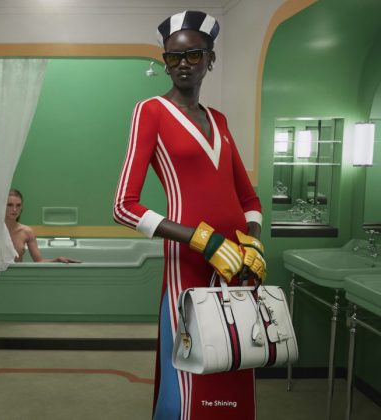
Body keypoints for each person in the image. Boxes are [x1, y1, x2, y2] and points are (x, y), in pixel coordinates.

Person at [112, 10, 266, 420]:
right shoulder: (151, 111)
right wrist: (205, 241)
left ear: (210, 60)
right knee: (191, 366)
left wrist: (251, 242)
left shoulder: (220, 120)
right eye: (173, 57)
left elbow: (249, 198)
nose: (183, 64)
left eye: (194, 54)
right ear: (165, 62)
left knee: (238, 357)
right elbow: (124, 206)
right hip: (189, 263)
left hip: (238, 264)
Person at [6, 189, 80, 263]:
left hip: (17, 271)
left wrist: (57, 260)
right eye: (10, 205)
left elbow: (39, 261)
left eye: (18, 205)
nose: (14, 209)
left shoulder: (26, 232)